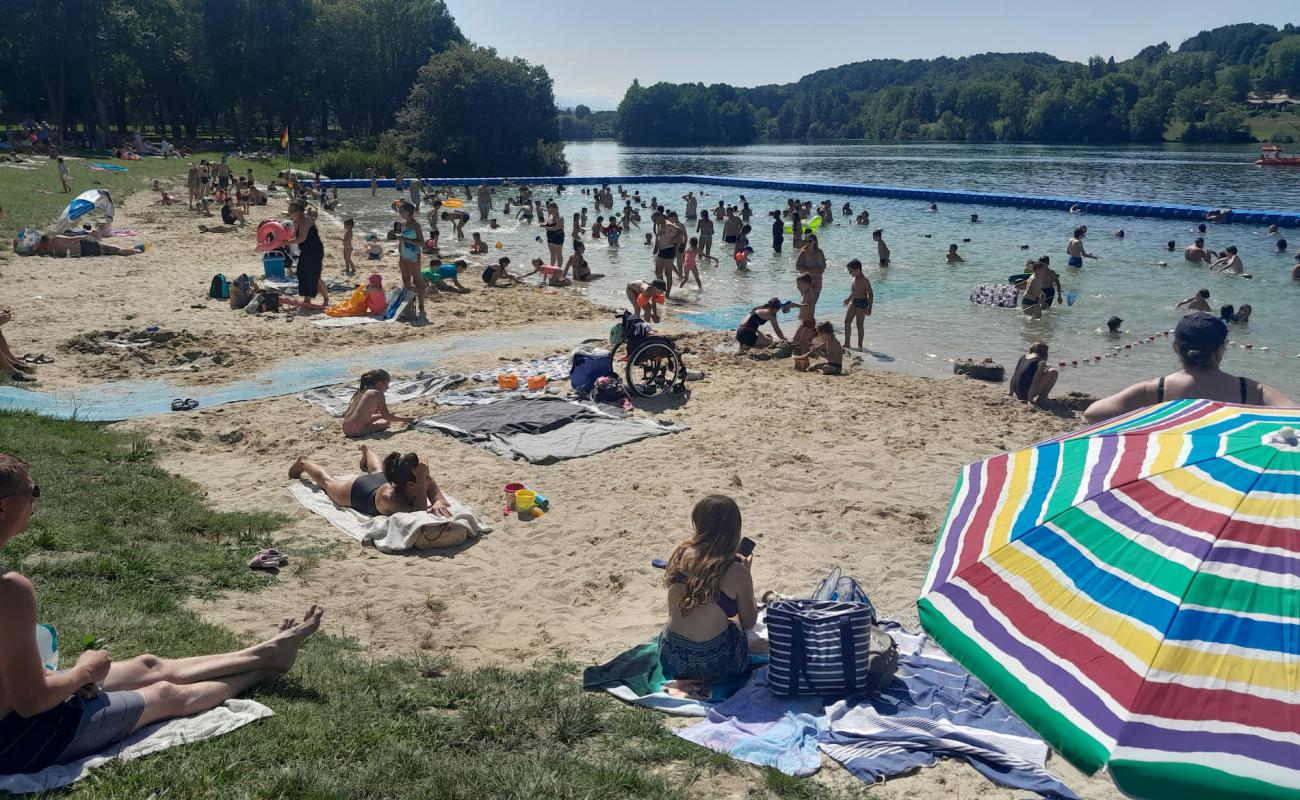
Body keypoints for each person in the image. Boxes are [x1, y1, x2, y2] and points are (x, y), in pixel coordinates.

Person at [0, 453, 325, 776]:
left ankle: (261, 653)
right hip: (19, 738)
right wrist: (82, 673)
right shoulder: (11, 590)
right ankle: (265, 671)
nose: (35, 499)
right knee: (166, 694)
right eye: (32, 492)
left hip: (24, 698)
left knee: (147, 665)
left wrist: (64, 681)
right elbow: (32, 702)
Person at [1083, 312, 1292, 422]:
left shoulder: (1157, 390)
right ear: (1222, 349)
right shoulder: (1251, 391)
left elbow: (1094, 413)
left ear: (1176, 348)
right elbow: (1294, 415)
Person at [658, 495, 757, 687]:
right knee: (734, 626)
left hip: (672, 657)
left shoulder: (680, 554)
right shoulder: (735, 570)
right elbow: (749, 622)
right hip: (714, 665)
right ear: (734, 529)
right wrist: (747, 574)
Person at [291, 448, 456, 521]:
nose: (428, 480)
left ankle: (367, 450)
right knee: (328, 482)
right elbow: (418, 516)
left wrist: (438, 501)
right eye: (423, 478)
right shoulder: (389, 498)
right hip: (360, 493)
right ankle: (304, 462)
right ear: (412, 484)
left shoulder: (417, 480)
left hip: (382, 480)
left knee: (377, 470)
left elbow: (437, 495)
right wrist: (422, 482)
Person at [341, 370, 415, 438]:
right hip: (355, 430)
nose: (388, 387)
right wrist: (405, 420)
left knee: (379, 416)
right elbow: (387, 416)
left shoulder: (361, 391)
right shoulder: (377, 393)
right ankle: (364, 428)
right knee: (386, 422)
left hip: (345, 426)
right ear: (379, 383)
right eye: (387, 384)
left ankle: (363, 426)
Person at [286, 200, 328, 307]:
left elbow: (302, 238)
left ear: (300, 211)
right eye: (289, 211)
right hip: (305, 250)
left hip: (314, 250)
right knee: (302, 273)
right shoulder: (296, 221)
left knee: (314, 275)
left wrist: (286, 242)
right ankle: (307, 299)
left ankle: (326, 299)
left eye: (292, 211)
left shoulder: (304, 221)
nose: (290, 213)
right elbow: (295, 236)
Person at [395, 202, 426, 319]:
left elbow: (422, 243)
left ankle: (421, 307)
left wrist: (405, 240)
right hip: (403, 256)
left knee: (418, 282)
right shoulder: (403, 224)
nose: (400, 213)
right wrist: (400, 241)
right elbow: (402, 240)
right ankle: (407, 306)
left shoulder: (416, 225)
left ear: (408, 212)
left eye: (401, 211)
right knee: (406, 281)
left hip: (413, 256)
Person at [842, 259, 873, 349]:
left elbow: (870, 294)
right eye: (849, 271)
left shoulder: (864, 280)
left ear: (858, 269)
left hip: (862, 302)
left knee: (859, 324)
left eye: (851, 271)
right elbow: (854, 291)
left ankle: (860, 345)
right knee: (847, 322)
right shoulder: (854, 278)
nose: (849, 273)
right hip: (853, 301)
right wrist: (848, 299)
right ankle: (847, 343)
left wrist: (869, 308)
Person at [794, 234, 827, 308]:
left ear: (815, 241)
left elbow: (824, 265)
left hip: (818, 279)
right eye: (805, 241)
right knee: (806, 302)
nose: (807, 243)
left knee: (813, 303)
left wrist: (821, 269)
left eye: (809, 241)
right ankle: (804, 318)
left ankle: (811, 318)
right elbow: (797, 267)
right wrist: (810, 270)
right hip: (807, 280)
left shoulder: (819, 252)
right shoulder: (804, 252)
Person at [788, 274, 817, 354]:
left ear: (807, 284)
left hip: (809, 322)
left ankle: (817, 349)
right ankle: (807, 351)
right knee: (795, 340)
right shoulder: (804, 293)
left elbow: (807, 306)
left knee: (802, 342)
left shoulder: (810, 294)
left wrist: (796, 305)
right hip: (803, 322)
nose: (797, 287)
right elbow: (803, 306)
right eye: (797, 284)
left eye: (799, 284)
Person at [542, 201, 564, 269]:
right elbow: (547, 224)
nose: (550, 211)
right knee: (552, 253)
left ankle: (559, 269)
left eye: (552, 210)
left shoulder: (560, 217)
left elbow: (557, 227)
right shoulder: (550, 216)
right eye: (549, 210)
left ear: (556, 209)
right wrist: (543, 225)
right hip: (550, 236)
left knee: (558, 254)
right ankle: (552, 267)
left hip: (558, 236)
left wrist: (547, 227)